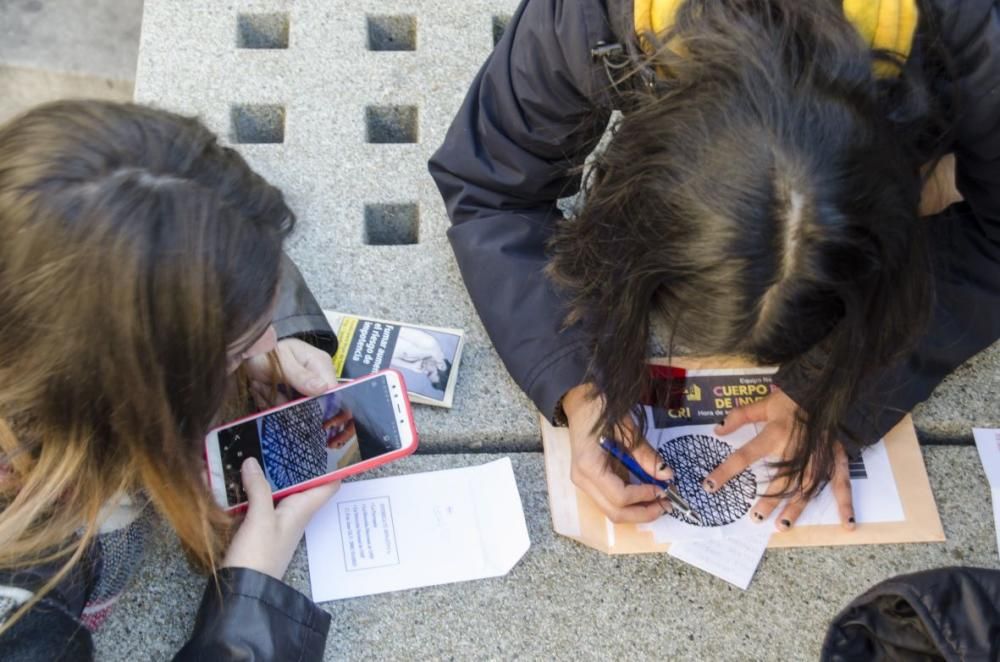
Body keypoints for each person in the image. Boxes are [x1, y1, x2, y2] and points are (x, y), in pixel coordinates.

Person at [430, 0, 999, 526]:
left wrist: (837, 388)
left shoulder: (975, 33)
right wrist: (578, 385)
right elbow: (491, 185)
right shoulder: (594, 18)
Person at [0, 100, 344, 660]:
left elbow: (198, 231)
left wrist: (273, 330)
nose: (267, 349)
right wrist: (248, 603)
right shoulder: (25, 602)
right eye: (235, 348)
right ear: (136, 402)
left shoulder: (46, 209)